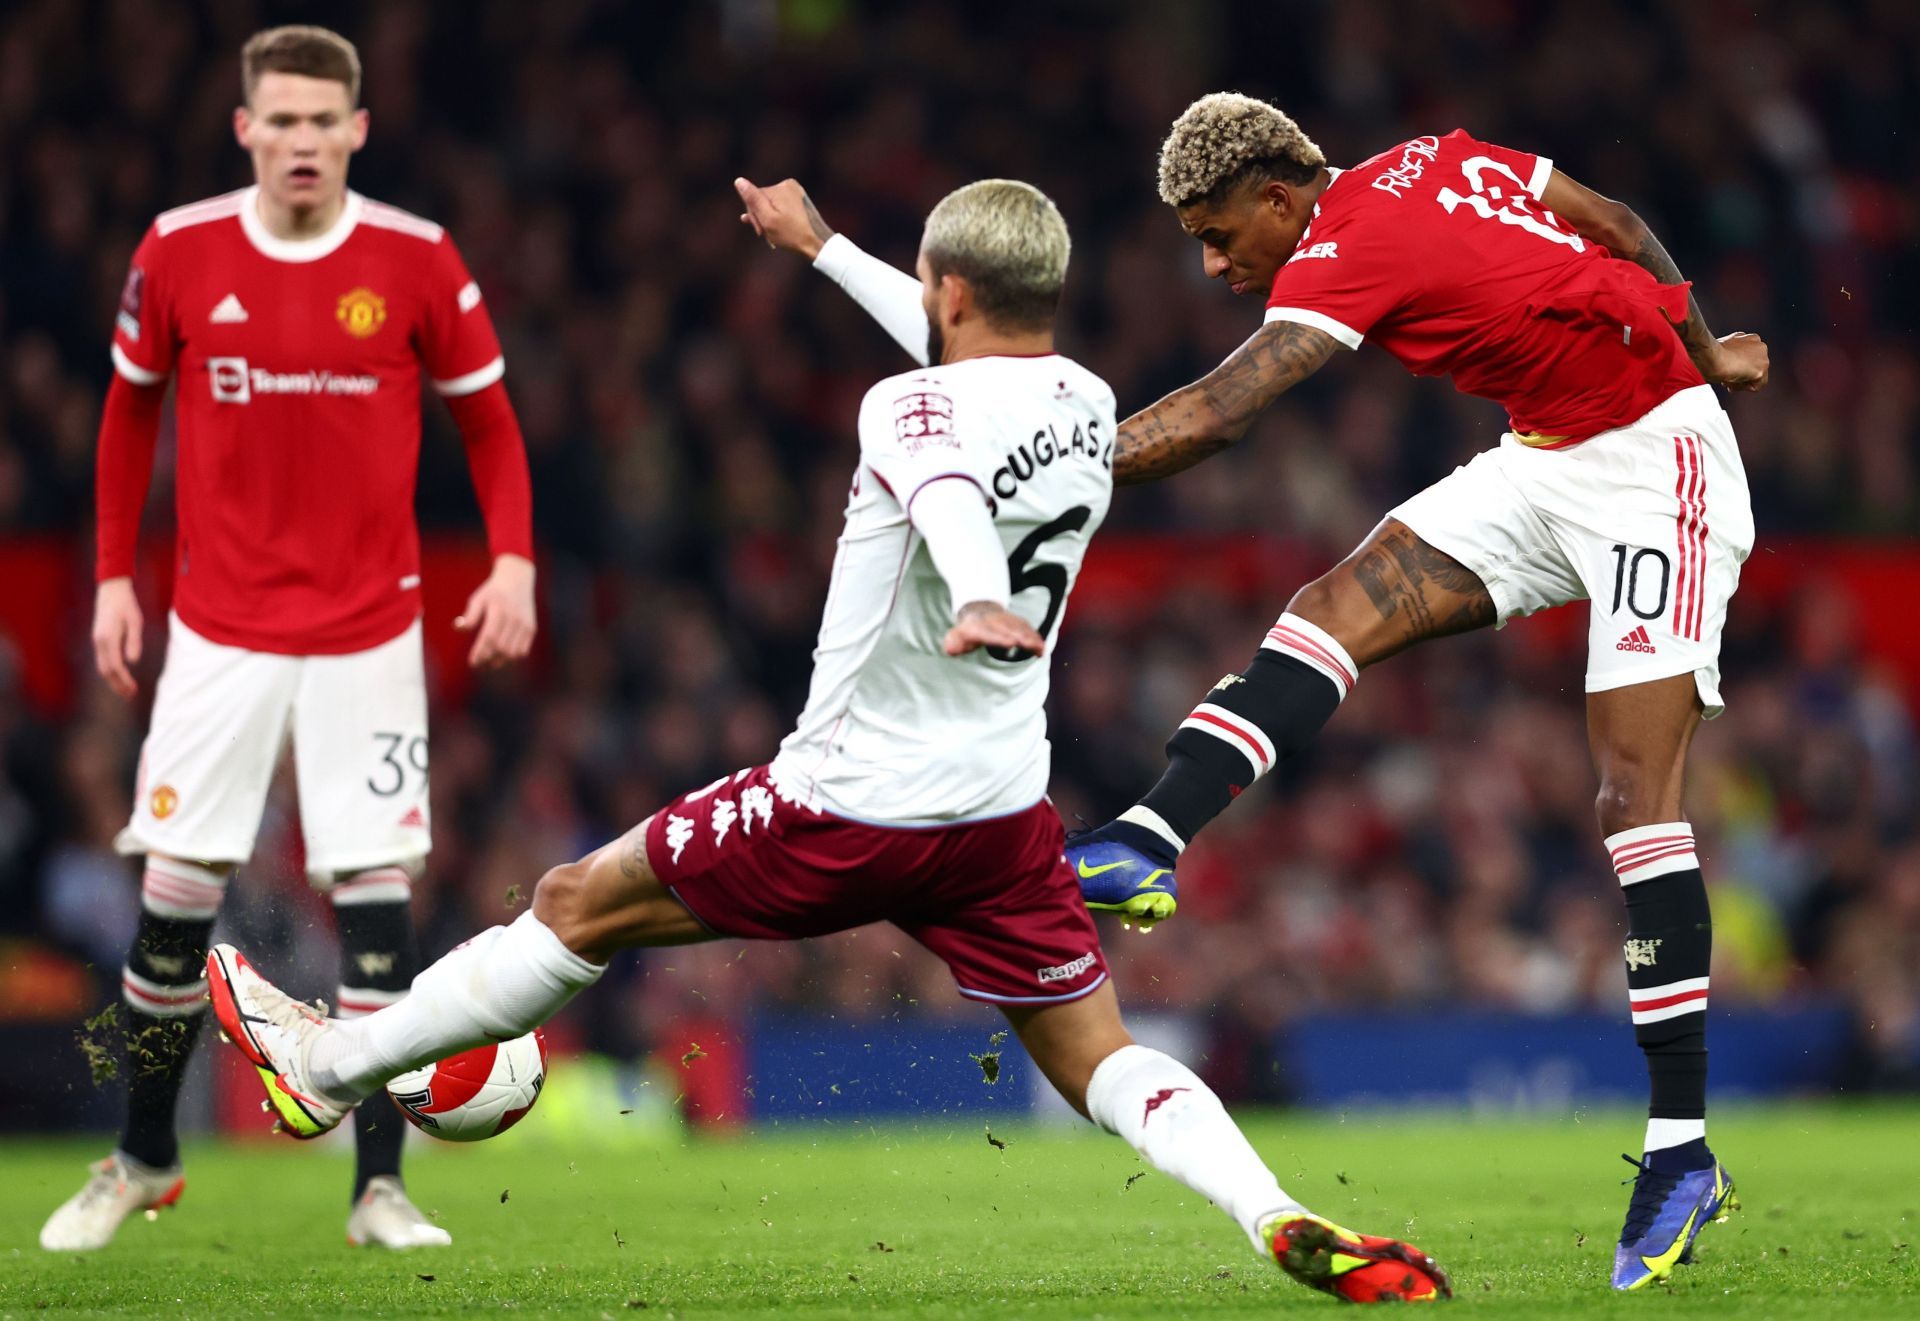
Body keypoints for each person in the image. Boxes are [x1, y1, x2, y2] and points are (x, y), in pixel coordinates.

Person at [205, 177, 1449, 1305]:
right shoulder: (1084, 401)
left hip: (846, 804)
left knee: (578, 901)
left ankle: (332, 1064)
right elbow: (964, 369)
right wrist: (824, 248)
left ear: (947, 288)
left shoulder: (902, 407)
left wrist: (977, 593)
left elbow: (948, 483)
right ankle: (1269, 1207)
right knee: (1099, 1056)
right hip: (1001, 822)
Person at [1062, 93, 1762, 1291]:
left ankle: (1681, 1149)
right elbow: (1616, 222)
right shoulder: (1429, 156)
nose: (1216, 262)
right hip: (1544, 456)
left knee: (1632, 799)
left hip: (1659, 463)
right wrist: (1715, 344)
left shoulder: (1342, 248)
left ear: (1281, 198)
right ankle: (1145, 835)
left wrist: (1042, 468)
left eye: (1222, 234)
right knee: (1330, 608)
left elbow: (1225, 412)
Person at [40, 26, 536, 1252]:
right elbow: (122, 419)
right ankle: (143, 1157)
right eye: (285, 119)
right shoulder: (178, 249)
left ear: (358, 130)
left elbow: (491, 426)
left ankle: (380, 1190)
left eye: (327, 121)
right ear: (246, 128)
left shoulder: (417, 259)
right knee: (171, 902)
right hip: (221, 632)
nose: (305, 140)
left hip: (371, 631)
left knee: (377, 909)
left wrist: (515, 558)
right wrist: (112, 579)